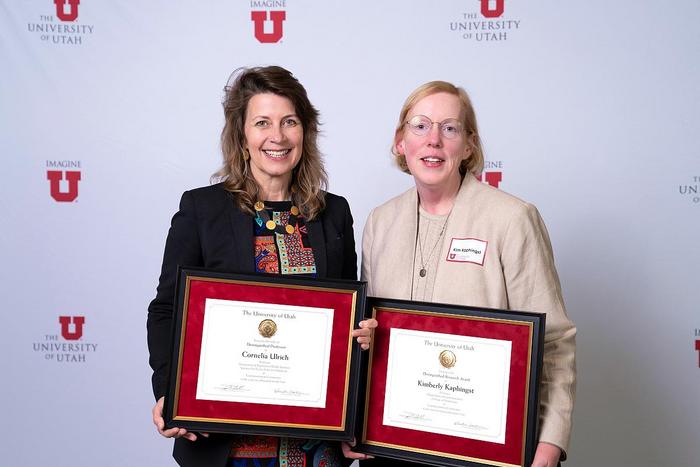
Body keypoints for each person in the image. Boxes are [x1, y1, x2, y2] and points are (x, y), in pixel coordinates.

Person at [147, 66, 377, 467]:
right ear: (242, 135)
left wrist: (364, 332)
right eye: (262, 123)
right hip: (225, 443)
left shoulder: (333, 213)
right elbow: (166, 310)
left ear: (306, 131)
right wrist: (170, 391)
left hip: (315, 446)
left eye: (290, 121)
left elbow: (348, 319)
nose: (278, 136)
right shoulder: (202, 209)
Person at [360, 81, 576, 467]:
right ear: (400, 141)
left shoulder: (511, 219)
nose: (434, 141)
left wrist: (549, 445)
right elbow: (371, 339)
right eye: (420, 126)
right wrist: (355, 424)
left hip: (488, 450)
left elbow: (555, 342)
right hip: (395, 447)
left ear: (469, 145)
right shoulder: (380, 222)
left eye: (450, 128)